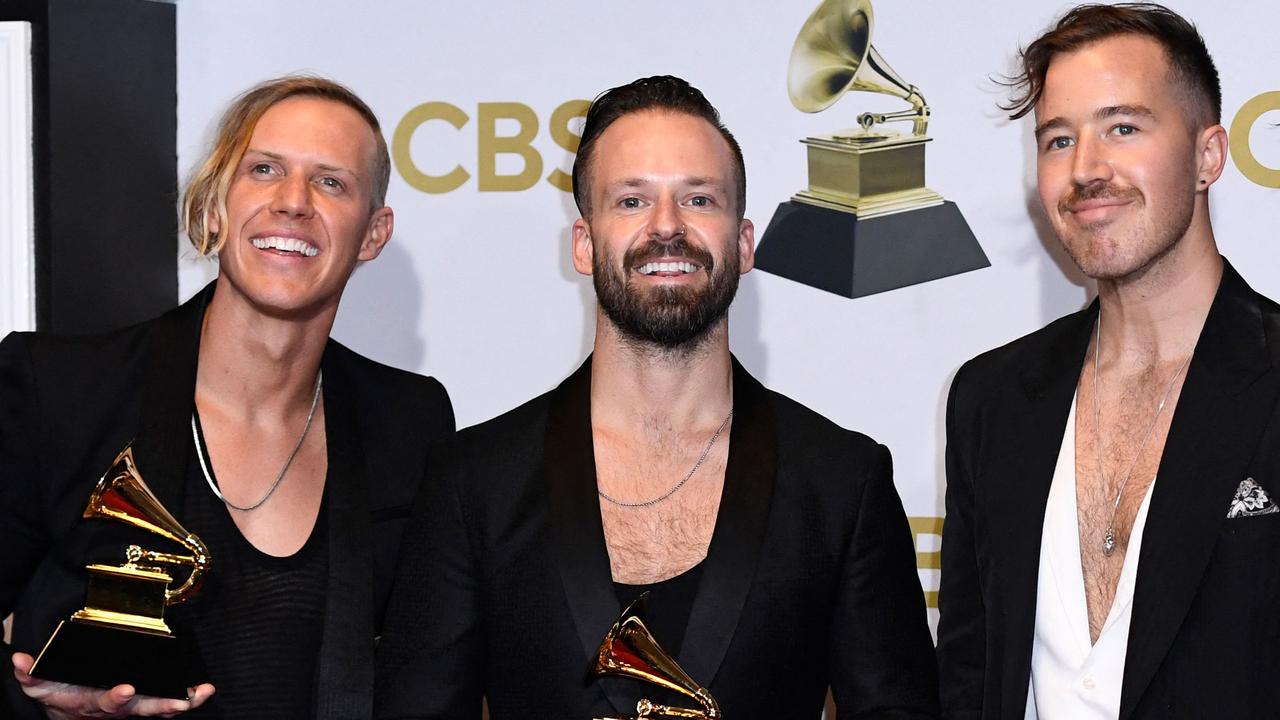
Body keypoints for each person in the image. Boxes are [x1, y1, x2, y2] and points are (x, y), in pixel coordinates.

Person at [374, 75, 937, 719]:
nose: (666, 227)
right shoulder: (471, 484)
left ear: (745, 242)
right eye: (632, 201)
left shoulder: (842, 483)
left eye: (699, 199)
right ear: (583, 245)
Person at [1, 76, 454, 719]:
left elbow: (428, 671)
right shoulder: (61, 392)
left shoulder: (410, 421)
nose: (293, 202)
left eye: (331, 182)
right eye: (264, 169)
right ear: (216, 207)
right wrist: (47, 710)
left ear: (373, 234)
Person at [937, 4, 1280, 718]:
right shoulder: (991, 398)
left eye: (1123, 127)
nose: (1086, 170)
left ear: (1209, 156)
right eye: (1058, 139)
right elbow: (966, 674)